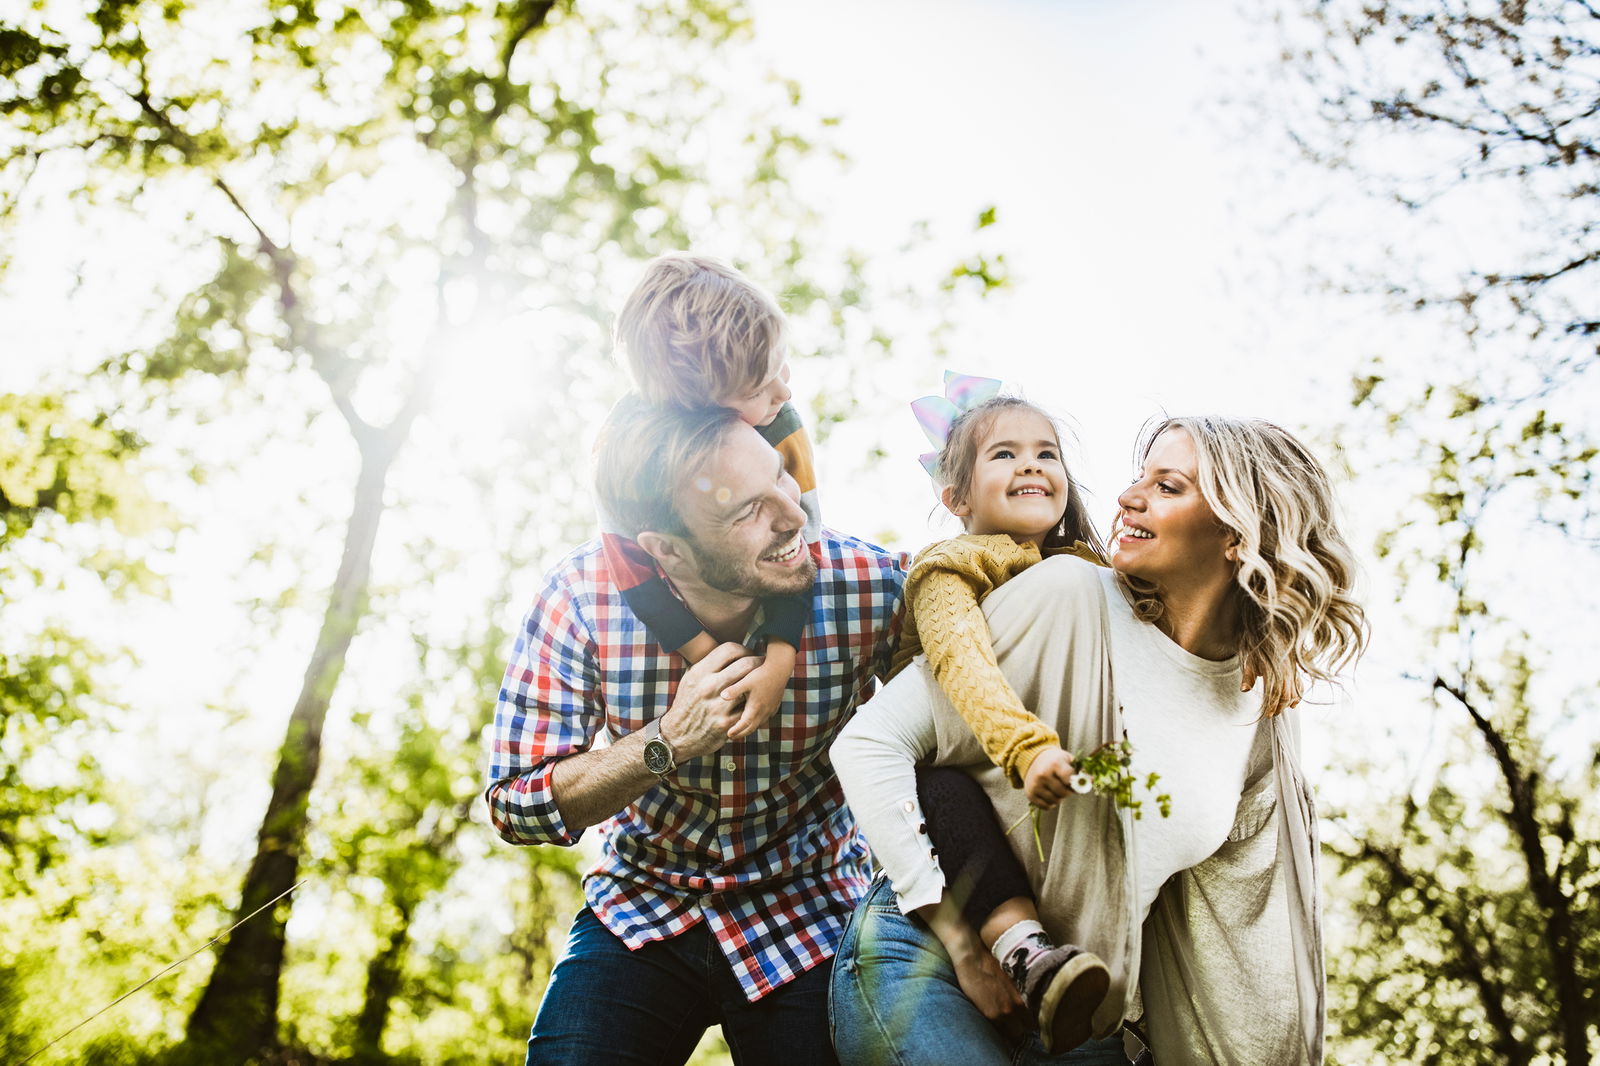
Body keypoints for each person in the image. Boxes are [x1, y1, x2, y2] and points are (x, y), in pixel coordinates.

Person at [830, 415, 1368, 1066]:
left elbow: (1245, 915)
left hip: (1082, 1011)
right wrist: (965, 948)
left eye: (1166, 486)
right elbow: (871, 743)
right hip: (938, 954)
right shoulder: (1067, 593)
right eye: (1140, 477)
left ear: (1237, 534)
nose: (1127, 497)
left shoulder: (1261, 709)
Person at [485, 401, 905, 1066]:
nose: (793, 514)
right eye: (747, 511)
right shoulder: (581, 597)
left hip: (812, 908)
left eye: (781, 475)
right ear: (666, 549)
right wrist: (668, 741)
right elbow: (515, 804)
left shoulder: (870, 586)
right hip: (641, 905)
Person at [891, 374, 1117, 1052]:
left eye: (1047, 453)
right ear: (956, 498)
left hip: (1057, 788)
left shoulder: (1088, 568)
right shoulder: (948, 567)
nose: (1031, 465)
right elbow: (963, 663)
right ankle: (1022, 950)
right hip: (969, 762)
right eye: (1005, 454)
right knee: (943, 790)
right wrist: (1026, 746)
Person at [602, 253, 820, 739]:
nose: (784, 392)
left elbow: (803, 548)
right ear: (695, 408)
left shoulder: (782, 423)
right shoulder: (624, 460)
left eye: (781, 365)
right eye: (758, 388)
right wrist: (715, 662)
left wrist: (779, 662)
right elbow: (635, 578)